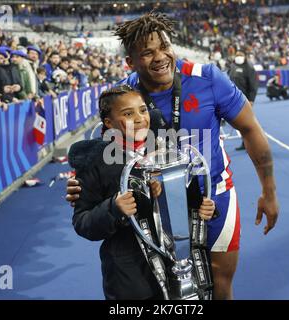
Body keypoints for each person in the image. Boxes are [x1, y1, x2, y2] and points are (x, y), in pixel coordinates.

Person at [66, 12, 279, 300]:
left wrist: (269, 191)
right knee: (172, 289)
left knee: (219, 284)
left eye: (165, 46)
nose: (160, 57)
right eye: (147, 53)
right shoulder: (124, 96)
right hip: (156, 208)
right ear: (131, 62)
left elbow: (251, 130)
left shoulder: (208, 79)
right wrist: (83, 186)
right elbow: (110, 157)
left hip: (214, 197)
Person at [69, 85, 215, 299]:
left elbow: (191, 199)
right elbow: (82, 221)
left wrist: (204, 208)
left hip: (177, 263)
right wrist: (113, 208)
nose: (139, 118)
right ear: (108, 123)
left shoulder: (169, 149)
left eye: (143, 110)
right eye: (128, 114)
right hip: (131, 277)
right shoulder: (95, 162)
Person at [228, 50, 258, 151]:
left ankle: (252, 142)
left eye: (240, 55)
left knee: (246, 122)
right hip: (233, 98)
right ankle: (245, 142)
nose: (238, 57)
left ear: (244, 56)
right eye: (237, 55)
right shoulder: (232, 66)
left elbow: (253, 84)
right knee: (239, 123)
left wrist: (251, 99)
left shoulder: (249, 67)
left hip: (245, 99)